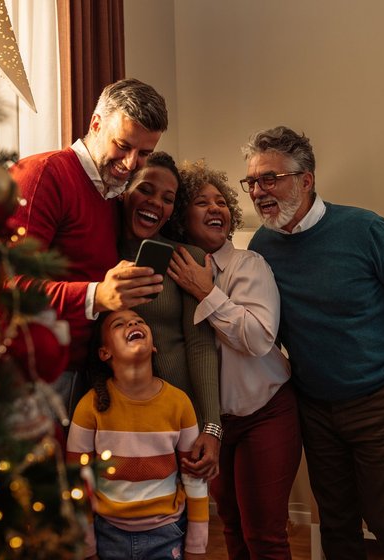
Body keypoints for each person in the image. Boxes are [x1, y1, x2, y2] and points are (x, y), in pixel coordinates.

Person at [242, 126, 384, 560]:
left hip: (378, 399)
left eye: (270, 178)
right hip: (314, 407)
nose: (258, 191)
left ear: (306, 179)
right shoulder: (261, 246)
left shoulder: (364, 228)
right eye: (253, 181)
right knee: (335, 520)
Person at [6, 78, 168, 416]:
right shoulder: (43, 174)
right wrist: (97, 296)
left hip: (77, 372)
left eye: (145, 153)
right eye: (122, 145)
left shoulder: (113, 197)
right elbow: (7, 285)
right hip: (22, 368)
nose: (130, 163)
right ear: (96, 124)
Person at [166, 160, 302, 559]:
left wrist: (207, 292)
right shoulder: (169, 273)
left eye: (221, 201)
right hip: (213, 424)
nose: (217, 208)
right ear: (179, 216)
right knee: (232, 527)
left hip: (266, 412)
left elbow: (259, 338)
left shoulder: (249, 265)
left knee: (265, 534)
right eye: (202, 201)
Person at [66, 308, 208, 560]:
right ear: (104, 352)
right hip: (108, 535)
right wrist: (87, 548)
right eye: (119, 324)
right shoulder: (89, 406)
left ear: (154, 347)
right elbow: (78, 482)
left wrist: (196, 548)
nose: (132, 322)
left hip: (168, 535)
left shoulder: (179, 403)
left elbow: (195, 480)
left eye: (139, 321)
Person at [118, 152, 222, 480]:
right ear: (123, 191)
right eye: (145, 190)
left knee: (183, 518)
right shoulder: (98, 254)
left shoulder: (186, 259)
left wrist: (212, 426)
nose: (155, 203)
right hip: (116, 417)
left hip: (179, 419)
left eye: (167, 199)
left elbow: (200, 346)